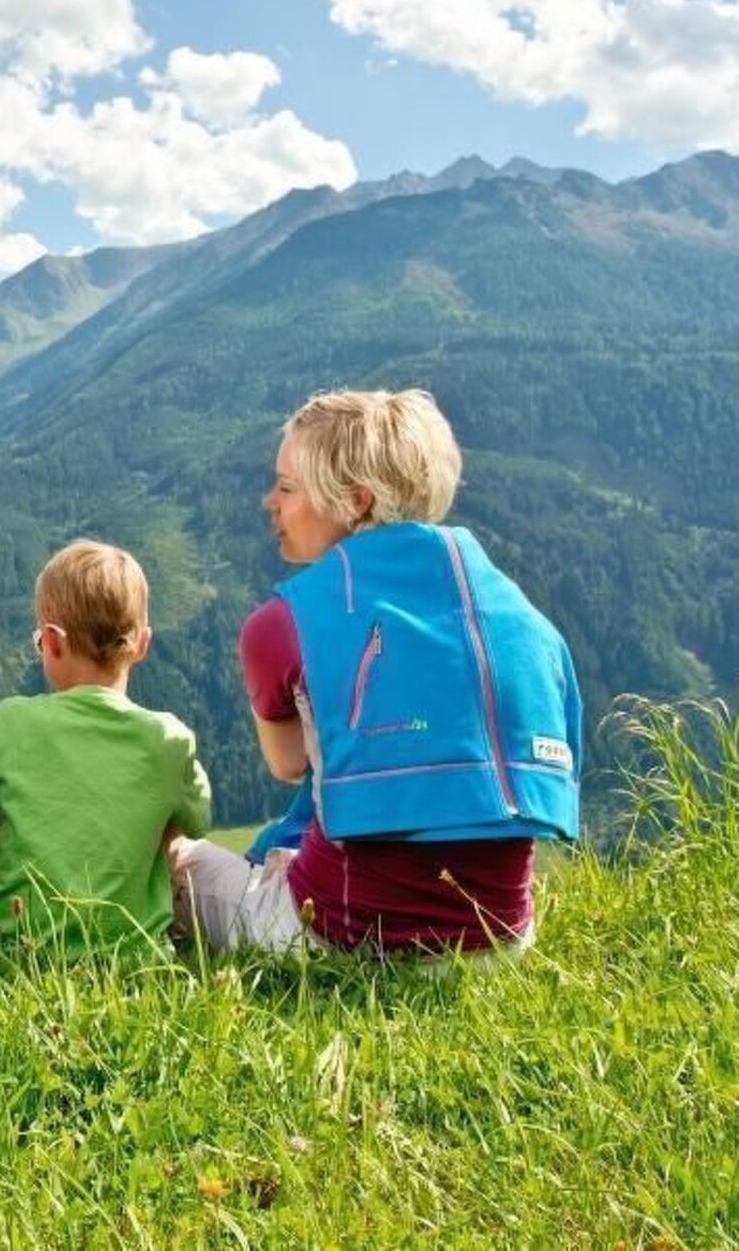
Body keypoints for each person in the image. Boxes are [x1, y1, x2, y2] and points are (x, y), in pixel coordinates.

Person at [170, 389, 582, 957]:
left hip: (342, 936)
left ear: (356, 502)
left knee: (173, 856)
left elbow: (290, 764)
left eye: (287, 487)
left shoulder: (283, 624)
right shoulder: (519, 616)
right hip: (502, 941)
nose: (270, 502)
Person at [0, 540, 212, 955]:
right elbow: (192, 825)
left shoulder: (10, 720)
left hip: (0, 949)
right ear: (143, 644)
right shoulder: (170, 740)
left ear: (52, 641)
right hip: (128, 957)